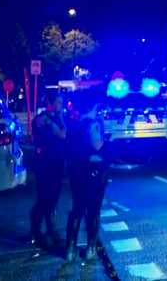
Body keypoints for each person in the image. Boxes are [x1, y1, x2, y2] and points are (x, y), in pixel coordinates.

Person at [65, 91, 110, 262]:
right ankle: (91, 247)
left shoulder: (72, 124)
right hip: (94, 174)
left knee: (77, 209)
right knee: (93, 210)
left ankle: (70, 249)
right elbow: (98, 146)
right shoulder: (93, 124)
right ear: (93, 107)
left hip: (76, 172)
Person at [29, 92, 67, 248]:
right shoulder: (43, 119)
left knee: (52, 199)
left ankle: (50, 231)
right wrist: (59, 119)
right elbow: (62, 134)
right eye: (58, 102)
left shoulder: (54, 118)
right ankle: (37, 231)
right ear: (50, 103)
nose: (61, 106)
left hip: (56, 163)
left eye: (61, 102)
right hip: (45, 164)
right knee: (45, 198)